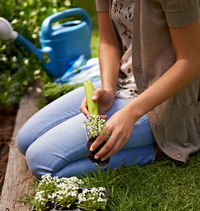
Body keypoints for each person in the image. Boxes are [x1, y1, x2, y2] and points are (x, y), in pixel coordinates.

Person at [17, 0, 200, 179]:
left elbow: (190, 61)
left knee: (40, 161)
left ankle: (162, 147)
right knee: (24, 140)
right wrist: (107, 89)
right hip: (122, 83)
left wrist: (130, 113)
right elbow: (108, 43)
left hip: (163, 103)